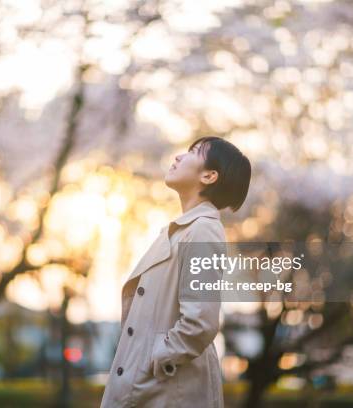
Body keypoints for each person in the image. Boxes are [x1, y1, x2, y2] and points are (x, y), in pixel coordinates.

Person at [100, 136, 251, 407]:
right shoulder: (184, 230)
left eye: (194, 152)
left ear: (209, 175)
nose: (179, 157)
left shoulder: (202, 229)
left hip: (165, 390)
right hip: (154, 388)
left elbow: (200, 321)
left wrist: (158, 357)